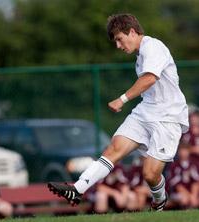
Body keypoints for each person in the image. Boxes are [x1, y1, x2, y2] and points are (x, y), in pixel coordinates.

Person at [48, 13, 189, 211]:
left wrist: (122, 99)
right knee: (113, 148)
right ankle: (76, 189)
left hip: (168, 116)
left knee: (150, 174)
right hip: (146, 111)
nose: (118, 46)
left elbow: (149, 78)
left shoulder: (153, 47)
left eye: (119, 39)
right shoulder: (140, 56)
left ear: (132, 31)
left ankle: (159, 200)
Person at [166, 142, 199, 209]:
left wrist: (193, 195)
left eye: (185, 151)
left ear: (189, 151)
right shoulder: (174, 165)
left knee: (194, 200)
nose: (183, 153)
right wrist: (189, 196)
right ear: (178, 152)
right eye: (181, 151)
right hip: (177, 193)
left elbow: (196, 182)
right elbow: (176, 185)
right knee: (184, 199)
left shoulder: (194, 164)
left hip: (191, 192)